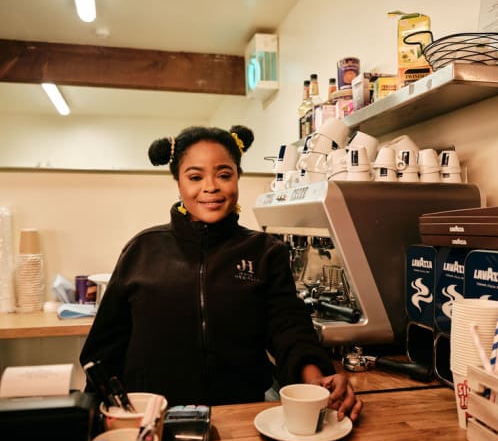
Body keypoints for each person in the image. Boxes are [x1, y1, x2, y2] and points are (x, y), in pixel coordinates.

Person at [80, 125, 362, 423]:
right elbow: (103, 349)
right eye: (195, 176)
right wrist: (93, 418)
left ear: (237, 176)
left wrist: (318, 381)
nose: (211, 186)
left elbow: (289, 329)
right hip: (154, 420)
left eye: (224, 174)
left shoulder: (265, 251)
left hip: (242, 416)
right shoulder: (142, 250)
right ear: (178, 182)